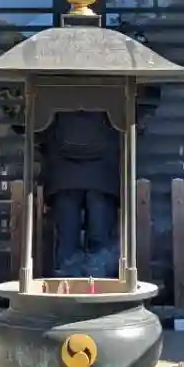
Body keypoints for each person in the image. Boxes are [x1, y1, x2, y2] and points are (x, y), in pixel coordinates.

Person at [41, 107, 120, 276]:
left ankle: (68, 287)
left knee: (67, 244)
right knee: (100, 247)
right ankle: (99, 287)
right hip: (103, 175)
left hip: (63, 174)